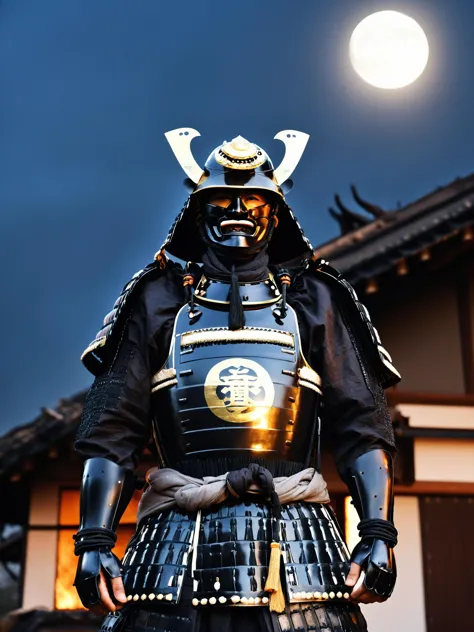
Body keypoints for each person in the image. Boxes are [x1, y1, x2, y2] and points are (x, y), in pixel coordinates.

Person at [73, 129, 400, 632]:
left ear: (277, 209)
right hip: (174, 548)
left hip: (297, 544)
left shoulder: (315, 299)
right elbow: (111, 428)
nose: (239, 210)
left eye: (253, 200)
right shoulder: (158, 300)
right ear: (197, 208)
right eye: (223, 198)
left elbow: (363, 422)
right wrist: (94, 539)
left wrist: (378, 531)